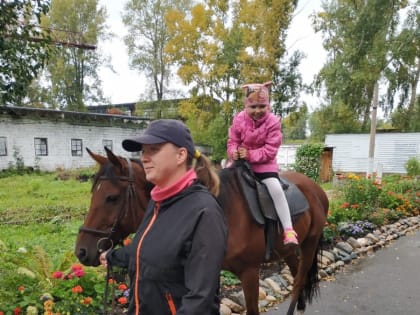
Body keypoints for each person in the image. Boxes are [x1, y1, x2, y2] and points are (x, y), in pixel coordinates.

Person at [100, 119, 227, 315]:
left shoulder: (204, 212)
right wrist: (112, 256)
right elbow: (144, 250)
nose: (144, 158)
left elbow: (200, 300)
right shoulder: (157, 202)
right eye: (143, 151)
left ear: (180, 155)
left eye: (154, 149)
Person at [227, 81, 298, 245]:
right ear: (246, 106)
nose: (257, 111)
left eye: (262, 106)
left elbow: (271, 149)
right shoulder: (238, 120)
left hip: (264, 165)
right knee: (222, 183)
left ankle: (288, 230)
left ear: (268, 106)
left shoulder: (273, 122)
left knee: (276, 189)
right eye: (253, 107)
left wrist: (250, 155)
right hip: (241, 164)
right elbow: (232, 141)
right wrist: (234, 152)